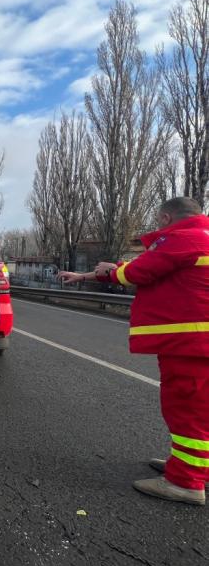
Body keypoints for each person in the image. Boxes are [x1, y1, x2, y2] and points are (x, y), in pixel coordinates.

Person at [59, 197, 209, 506]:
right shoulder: (202, 238)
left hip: (191, 343)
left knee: (185, 408)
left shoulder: (180, 238)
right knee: (200, 407)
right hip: (197, 342)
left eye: (158, 221)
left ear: (167, 217)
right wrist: (86, 276)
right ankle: (192, 465)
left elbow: (137, 273)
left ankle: (185, 482)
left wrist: (111, 272)